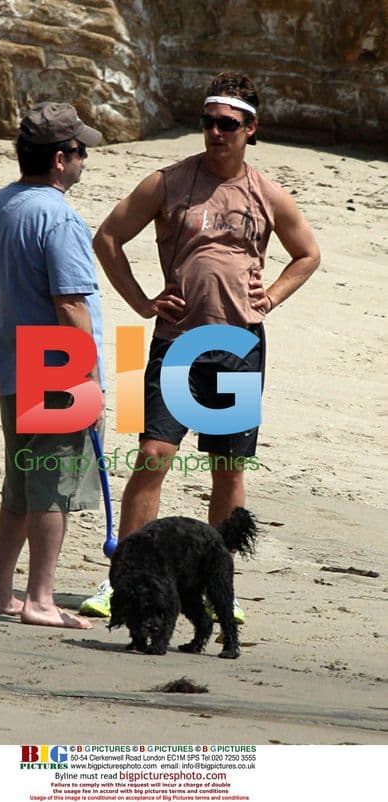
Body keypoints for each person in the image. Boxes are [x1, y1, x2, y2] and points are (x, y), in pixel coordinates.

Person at [80, 72, 320, 622]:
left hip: (237, 345)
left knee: (229, 468)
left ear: (250, 129)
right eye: (208, 122)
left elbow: (307, 253)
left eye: (227, 124)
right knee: (151, 456)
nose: (215, 132)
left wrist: (272, 297)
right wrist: (142, 302)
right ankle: (127, 578)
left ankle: (217, 587)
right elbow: (108, 238)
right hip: (176, 344)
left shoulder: (266, 192)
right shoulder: (167, 182)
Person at [0, 102, 105, 629]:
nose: (83, 161)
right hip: (56, 368)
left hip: (9, 358)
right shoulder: (59, 216)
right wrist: (90, 381)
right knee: (53, 484)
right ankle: (40, 599)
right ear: (59, 159)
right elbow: (71, 303)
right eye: (80, 152)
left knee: (22, 481)